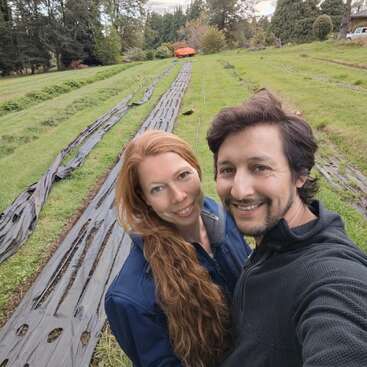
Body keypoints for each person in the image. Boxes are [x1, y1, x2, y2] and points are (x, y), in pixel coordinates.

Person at [207, 89, 367, 367]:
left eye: (260, 168)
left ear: (300, 175)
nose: (239, 190)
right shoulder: (273, 240)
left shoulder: (334, 278)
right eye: (227, 170)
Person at [105, 130, 251, 367]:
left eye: (183, 175)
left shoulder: (221, 217)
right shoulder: (131, 299)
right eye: (158, 189)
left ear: (196, 168)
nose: (179, 196)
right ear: (144, 199)